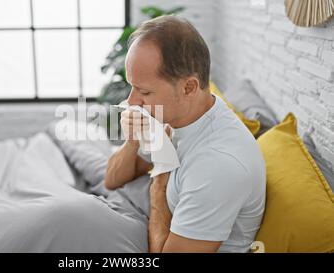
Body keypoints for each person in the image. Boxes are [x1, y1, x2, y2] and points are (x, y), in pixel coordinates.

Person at [104, 15, 266, 253]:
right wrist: (132, 140)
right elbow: (111, 180)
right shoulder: (179, 116)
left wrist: (160, 181)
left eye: (144, 92)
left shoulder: (218, 166)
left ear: (189, 87)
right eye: (132, 87)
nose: (131, 101)